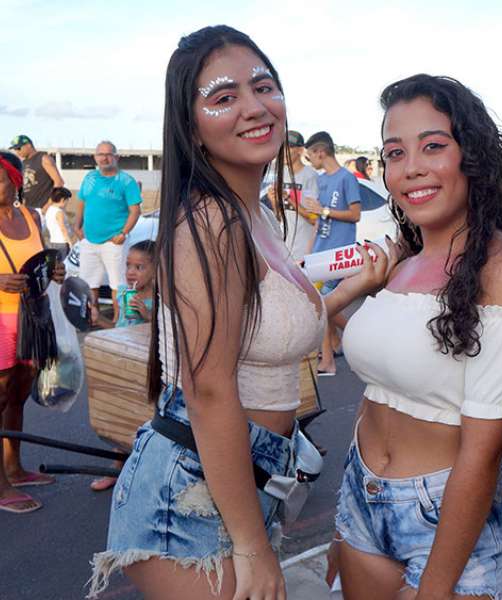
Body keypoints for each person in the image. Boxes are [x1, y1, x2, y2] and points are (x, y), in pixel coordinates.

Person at [88, 25, 383, 600]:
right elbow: (209, 388)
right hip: (189, 495)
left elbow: (265, 332)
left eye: (263, 86)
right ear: (190, 126)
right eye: (224, 96)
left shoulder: (254, 216)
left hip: (241, 481)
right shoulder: (209, 221)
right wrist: (251, 546)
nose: (254, 106)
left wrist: (352, 289)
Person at [328, 74, 502, 599]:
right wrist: (346, 513)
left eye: (433, 146)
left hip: (449, 523)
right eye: (395, 153)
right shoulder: (402, 262)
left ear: (472, 156)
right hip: (362, 499)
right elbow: (378, 390)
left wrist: (435, 587)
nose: (411, 168)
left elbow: (484, 452)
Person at [0, 150, 65, 514]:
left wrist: (55, 272)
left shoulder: (31, 215)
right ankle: (0, 486)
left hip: (30, 316)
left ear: (14, 181)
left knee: (18, 395)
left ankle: (14, 468)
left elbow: (41, 260)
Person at [87, 240, 157, 492]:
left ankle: (141, 474)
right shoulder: (123, 294)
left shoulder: (160, 299)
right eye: (128, 265)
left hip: (145, 367)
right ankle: (116, 470)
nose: (131, 272)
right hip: (120, 364)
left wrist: (148, 316)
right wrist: (99, 320)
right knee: (119, 416)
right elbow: (116, 328)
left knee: (143, 420)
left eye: (139, 267)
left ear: (157, 270)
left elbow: (164, 331)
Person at [304, 131, 362, 376]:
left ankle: (329, 359)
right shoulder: (320, 180)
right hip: (320, 252)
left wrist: (324, 211)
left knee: (322, 306)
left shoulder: (347, 178)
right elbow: (318, 221)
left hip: (338, 254)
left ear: (320, 152)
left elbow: (355, 215)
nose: (309, 161)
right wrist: (308, 252)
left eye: (309, 155)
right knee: (323, 305)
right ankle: (344, 341)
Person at [74, 141, 143, 324]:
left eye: (108, 154)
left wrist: (123, 233)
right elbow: (81, 202)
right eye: (100, 154)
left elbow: (135, 211)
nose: (104, 158)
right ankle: (91, 317)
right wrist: (77, 226)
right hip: (89, 240)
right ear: (95, 157)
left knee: (118, 284)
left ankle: (118, 321)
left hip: (114, 241)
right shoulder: (90, 177)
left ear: (116, 157)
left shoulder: (126, 181)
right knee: (89, 283)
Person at [264, 130, 320, 262]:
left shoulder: (310, 176)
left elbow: (314, 218)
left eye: (287, 148)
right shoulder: (280, 173)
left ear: (300, 150)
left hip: (303, 250)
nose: (282, 152)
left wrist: (288, 198)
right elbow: (279, 217)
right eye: (280, 148)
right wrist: (274, 201)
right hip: (283, 248)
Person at [9, 135, 65, 216]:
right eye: (15, 149)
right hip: (29, 210)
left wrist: (47, 206)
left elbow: (59, 183)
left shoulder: (43, 158)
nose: (17, 152)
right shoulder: (23, 163)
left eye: (19, 148)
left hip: (43, 209)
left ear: (28, 145)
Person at [43, 186, 74, 258]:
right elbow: (62, 228)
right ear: (62, 200)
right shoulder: (59, 212)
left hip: (53, 241)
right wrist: (69, 242)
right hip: (62, 242)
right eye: (67, 200)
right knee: (63, 262)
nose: (67, 203)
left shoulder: (49, 210)